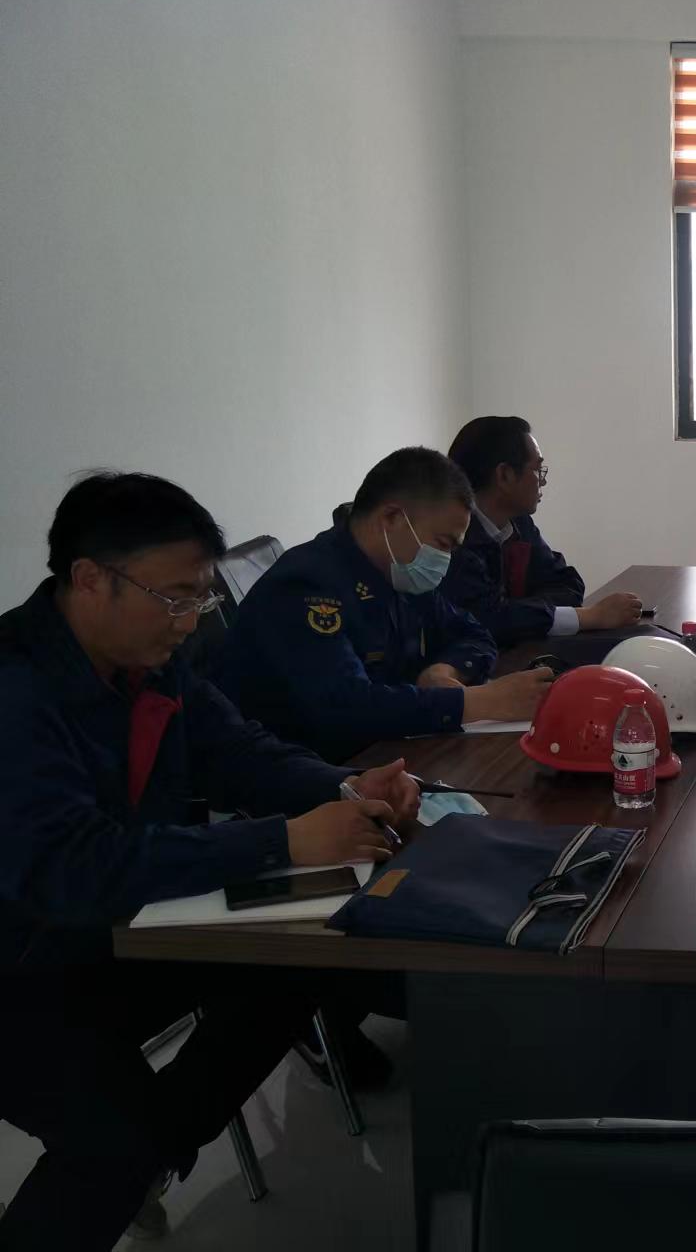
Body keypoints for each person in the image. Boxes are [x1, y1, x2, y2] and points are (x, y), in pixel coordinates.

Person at [0, 473, 417, 1251]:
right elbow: (72, 866)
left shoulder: (149, 663)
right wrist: (284, 841)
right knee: (111, 1145)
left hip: (113, 934)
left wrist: (345, 786)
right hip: (22, 968)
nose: (191, 620)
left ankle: (152, 1155)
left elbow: (239, 753)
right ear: (89, 579)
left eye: (200, 597)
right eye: (174, 597)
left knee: (305, 960)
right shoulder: (16, 687)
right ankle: (135, 1158)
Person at [220, 447, 553, 762]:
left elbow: (475, 634)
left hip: (385, 754)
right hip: (307, 773)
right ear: (392, 517)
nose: (445, 560)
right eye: (442, 543)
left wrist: (444, 670)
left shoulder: (402, 573)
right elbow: (347, 707)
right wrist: (478, 702)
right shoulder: (308, 585)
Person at [442, 416, 643, 647]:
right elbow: (487, 620)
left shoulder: (519, 524)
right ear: (505, 475)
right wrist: (589, 616)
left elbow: (569, 583)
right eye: (538, 469)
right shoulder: (452, 538)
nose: (543, 482)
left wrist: (518, 612)